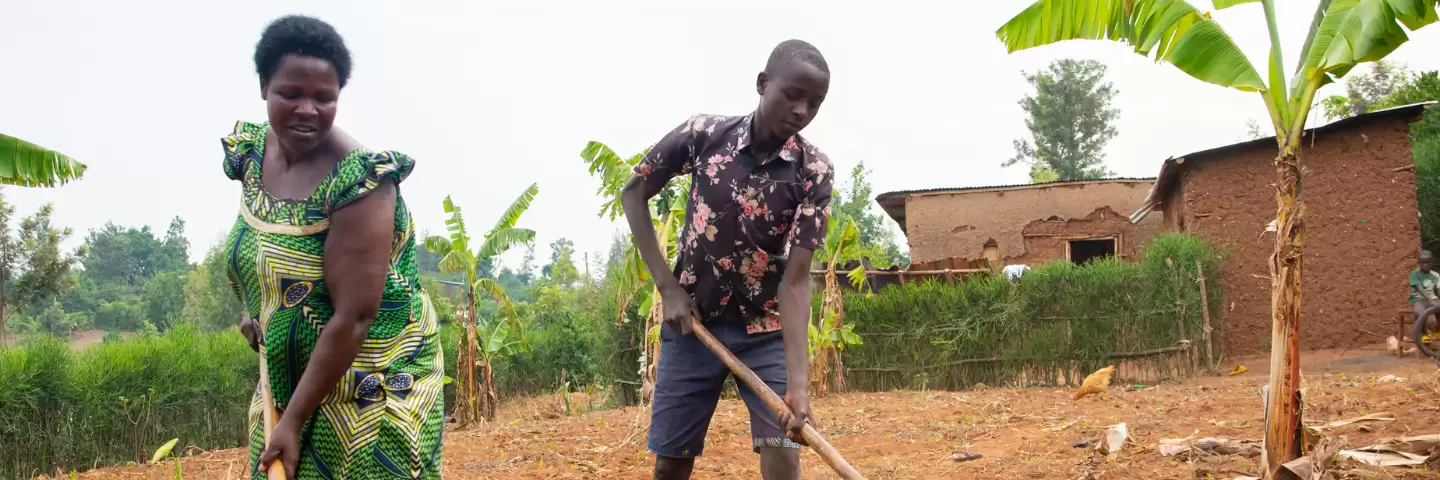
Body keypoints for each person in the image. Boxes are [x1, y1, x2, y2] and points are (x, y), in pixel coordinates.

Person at [223, 15, 443, 479]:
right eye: (291, 94)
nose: (308, 109)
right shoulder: (253, 157)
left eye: (324, 98)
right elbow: (261, 254)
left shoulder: (360, 182)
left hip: (373, 381)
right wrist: (258, 311)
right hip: (290, 377)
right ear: (264, 86)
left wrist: (293, 421)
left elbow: (355, 317)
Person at [621, 39, 833, 480]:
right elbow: (634, 192)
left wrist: (798, 387)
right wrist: (669, 289)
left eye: (814, 102)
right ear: (762, 84)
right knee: (672, 462)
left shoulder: (813, 171)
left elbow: (795, 282)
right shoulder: (702, 136)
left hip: (765, 331)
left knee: (783, 453)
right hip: (693, 324)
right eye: (793, 94)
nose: (801, 110)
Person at [1412, 250, 1440, 338]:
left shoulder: (1435, 275)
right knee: (1420, 312)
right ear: (1419, 263)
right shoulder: (1415, 274)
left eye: (1427, 262)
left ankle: (1437, 330)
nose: (1425, 264)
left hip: (1433, 299)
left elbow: (1439, 289)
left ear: (1431, 262)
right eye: (1422, 262)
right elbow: (1420, 289)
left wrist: (1435, 299)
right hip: (1419, 299)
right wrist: (1430, 300)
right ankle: (1422, 333)